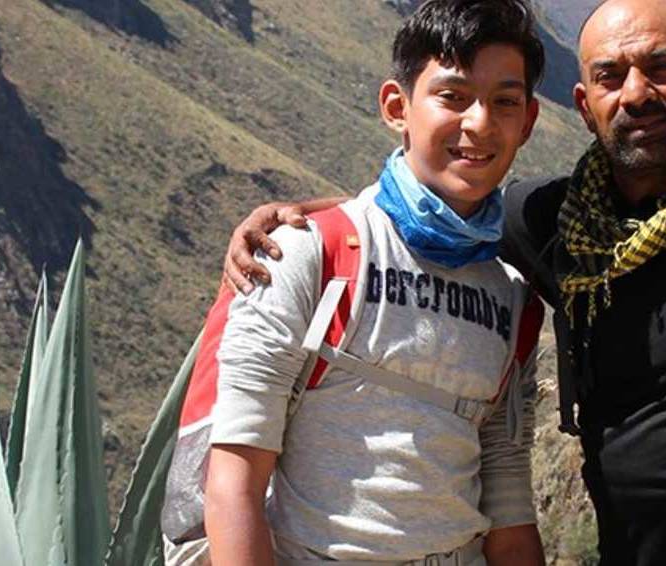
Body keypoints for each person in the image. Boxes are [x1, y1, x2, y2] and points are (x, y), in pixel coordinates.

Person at [225, 1, 666, 564]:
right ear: (583, 102)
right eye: (611, 75)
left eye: (663, 67)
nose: (637, 93)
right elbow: (438, 205)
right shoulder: (553, 223)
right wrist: (304, 218)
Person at [202, 1, 548, 564]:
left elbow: (508, 509)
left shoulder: (514, 301)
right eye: (453, 96)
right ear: (397, 105)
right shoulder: (306, 256)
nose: (480, 123)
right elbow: (233, 485)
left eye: (504, 102)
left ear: (528, 121)